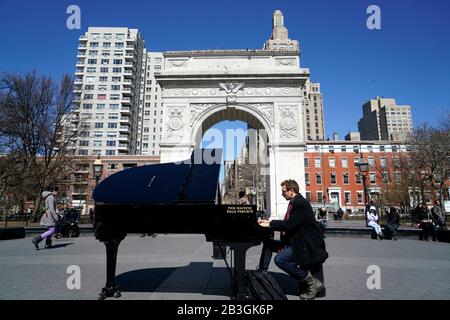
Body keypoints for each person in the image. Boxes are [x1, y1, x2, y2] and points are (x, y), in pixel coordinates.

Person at [258, 179, 328, 300]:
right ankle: (262, 274)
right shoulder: (294, 202)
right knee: (268, 244)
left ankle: (312, 282)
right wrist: (269, 222)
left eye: (284, 191)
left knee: (280, 259)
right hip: (294, 241)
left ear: (292, 191)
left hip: (305, 245)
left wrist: (270, 224)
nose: (282, 194)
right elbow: (289, 223)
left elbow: (290, 224)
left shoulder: (301, 204)